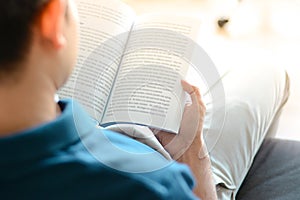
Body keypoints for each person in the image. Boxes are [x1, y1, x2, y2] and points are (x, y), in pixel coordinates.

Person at [0, 0, 290, 200]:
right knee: (265, 73)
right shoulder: (154, 187)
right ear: (51, 20)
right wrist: (193, 151)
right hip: (165, 161)